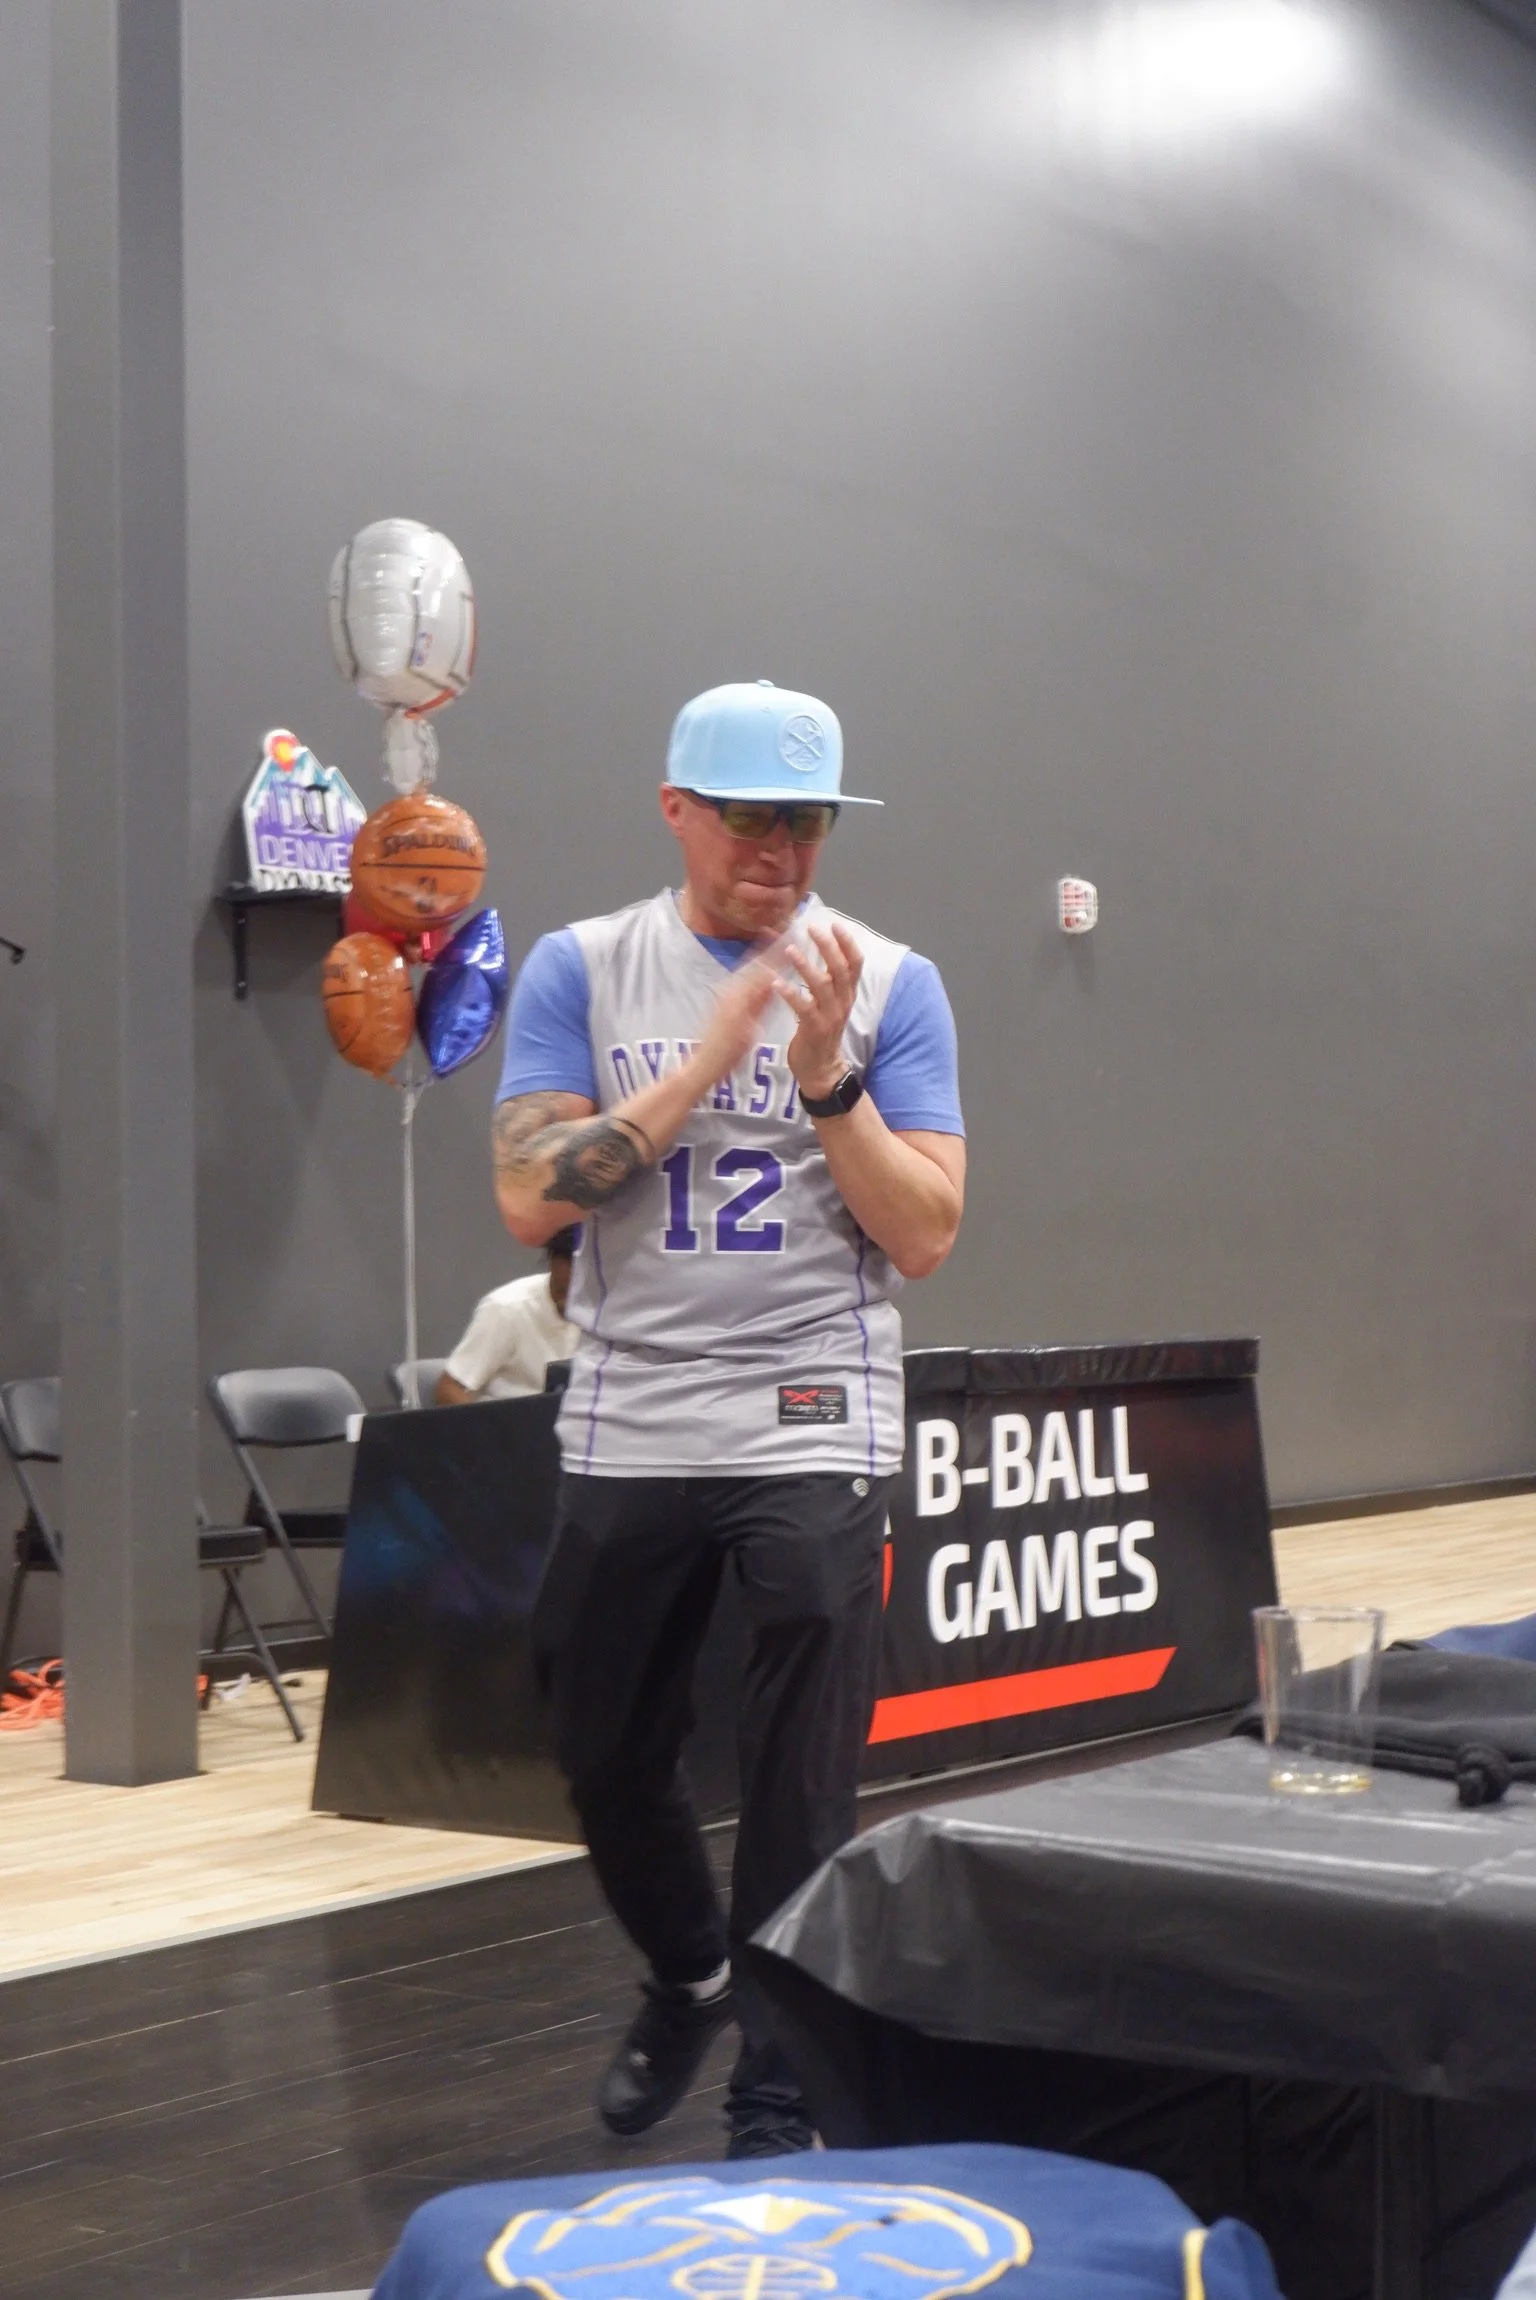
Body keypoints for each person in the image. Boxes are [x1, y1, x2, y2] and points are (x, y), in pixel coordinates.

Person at [491, 678, 965, 2159]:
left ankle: (778, 2093)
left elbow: (927, 1231)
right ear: (677, 809)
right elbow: (528, 1200)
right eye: (752, 815)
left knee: (800, 1759)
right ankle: (692, 1973)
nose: (782, 848)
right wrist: (708, 1057)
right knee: (599, 1743)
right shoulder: (583, 967)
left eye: (809, 819)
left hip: (813, 1397)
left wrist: (828, 1081)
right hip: (635, 1400)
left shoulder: (892, 982)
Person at [433, 1230, 579, 1404]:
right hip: (511, 1417)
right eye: (564, 1291)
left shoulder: (601, 1310)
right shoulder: (507, 1309)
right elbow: (449, 1389)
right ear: (553, 1262)